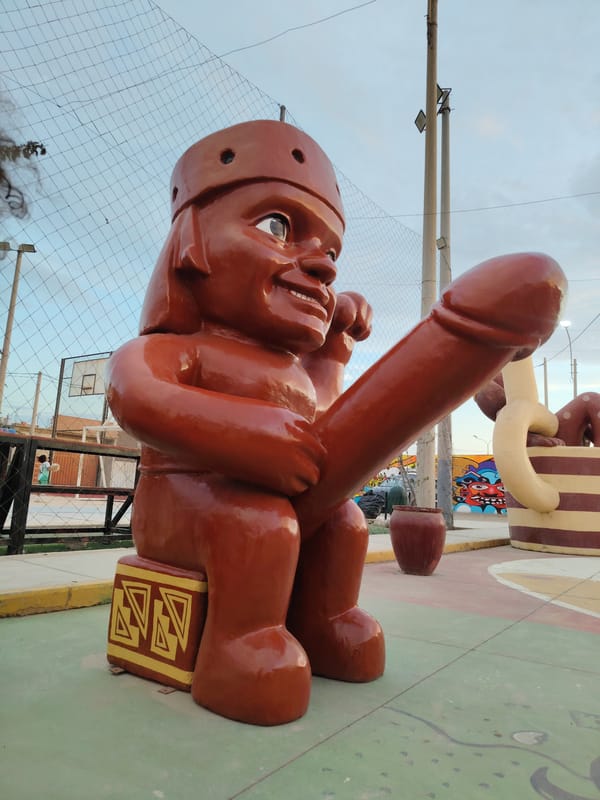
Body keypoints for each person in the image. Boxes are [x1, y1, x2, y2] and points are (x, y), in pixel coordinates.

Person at [107, 120, 566, 725]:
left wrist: (333, 356)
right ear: (189, 244)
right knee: (259, 521)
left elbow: (319, 424)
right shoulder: (181, 347)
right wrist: (244, 435)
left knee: (345, 521)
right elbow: (135, 395)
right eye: (277, 226)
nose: (322, 268)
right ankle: (238, 648)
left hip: (266, 499)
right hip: (182, 506)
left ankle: (323, 623)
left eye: (329, 253)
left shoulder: (291, 368)